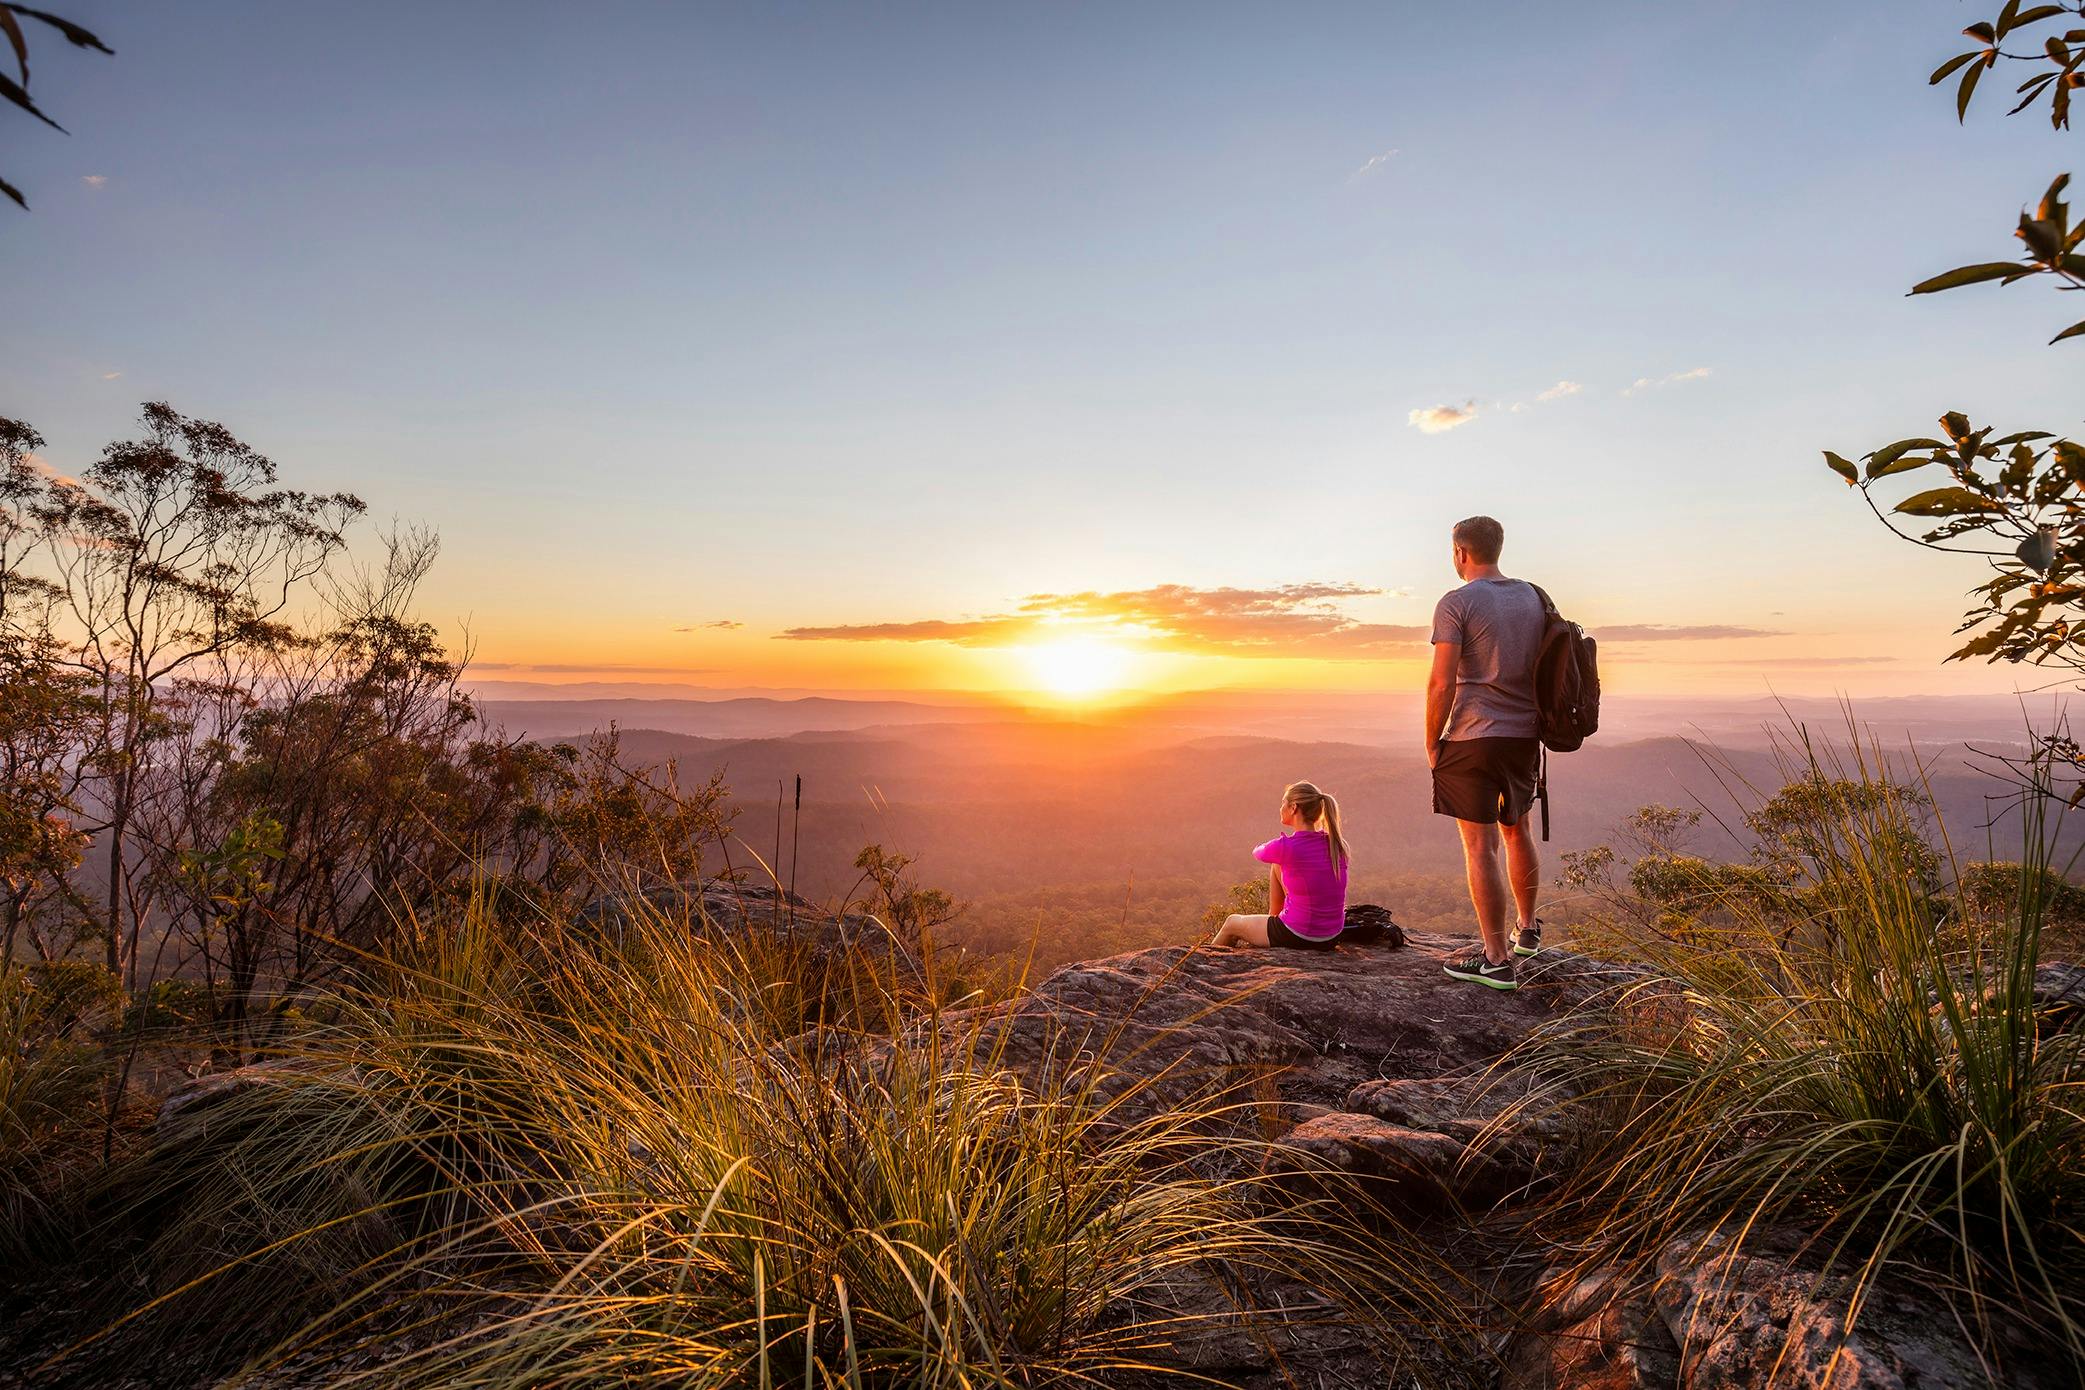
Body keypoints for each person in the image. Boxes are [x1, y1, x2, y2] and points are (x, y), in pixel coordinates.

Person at [1426, 516, 1545, 990]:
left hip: (1474, 735)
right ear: (1498, 547)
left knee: (1480, 847)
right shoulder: (1533, 597)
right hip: (1524, 736)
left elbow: (1441, 681)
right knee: (1518, 831)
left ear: (1460, 553)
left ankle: (1495, 958)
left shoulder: (1456, 602)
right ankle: (1528, 929)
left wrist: (1433, 741)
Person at [1209, 781, 1349, 950]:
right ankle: (1274, 920)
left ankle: (1203, 965)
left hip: (1300, 935)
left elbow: (1258, 852)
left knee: (1232, 923)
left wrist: (1280, 846)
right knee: (1278, 864)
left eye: (1283, 803)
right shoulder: (1337, 845)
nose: (1280, 808)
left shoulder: (1286, 847)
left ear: (1294, 808)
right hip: (1332, 935)